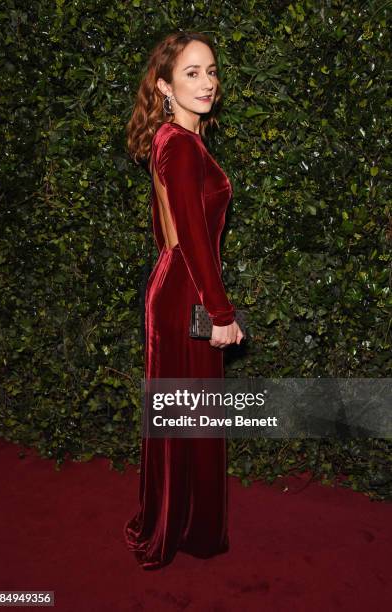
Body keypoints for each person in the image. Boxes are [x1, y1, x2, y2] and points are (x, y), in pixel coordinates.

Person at [124, 30, 244, 570]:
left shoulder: (173, 142)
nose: (207, 82)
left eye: (212, 70)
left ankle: (184, 524)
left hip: (176, 285)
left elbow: (167, 231)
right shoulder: (180, 144)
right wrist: (220, 314)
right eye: (192, 72)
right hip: (186, 290)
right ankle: (180, 528)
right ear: (165, 85)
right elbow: (192, 238)